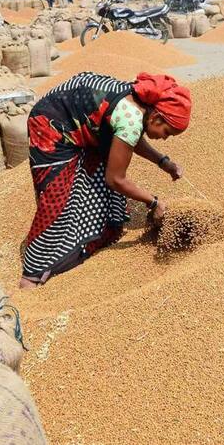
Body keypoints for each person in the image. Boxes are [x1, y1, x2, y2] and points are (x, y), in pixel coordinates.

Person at [20, 72, 191, 288]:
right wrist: (153, 202)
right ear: (156, 118)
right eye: (167, 132)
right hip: (50, 124)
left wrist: (164, 162)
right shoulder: (130, 118)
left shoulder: (138, 105)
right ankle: (32, 274)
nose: (165, 138)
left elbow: (131, 140)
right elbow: (116, 179)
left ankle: (95, 238)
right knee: (56, 200)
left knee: (96, 180)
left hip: (79, 119)